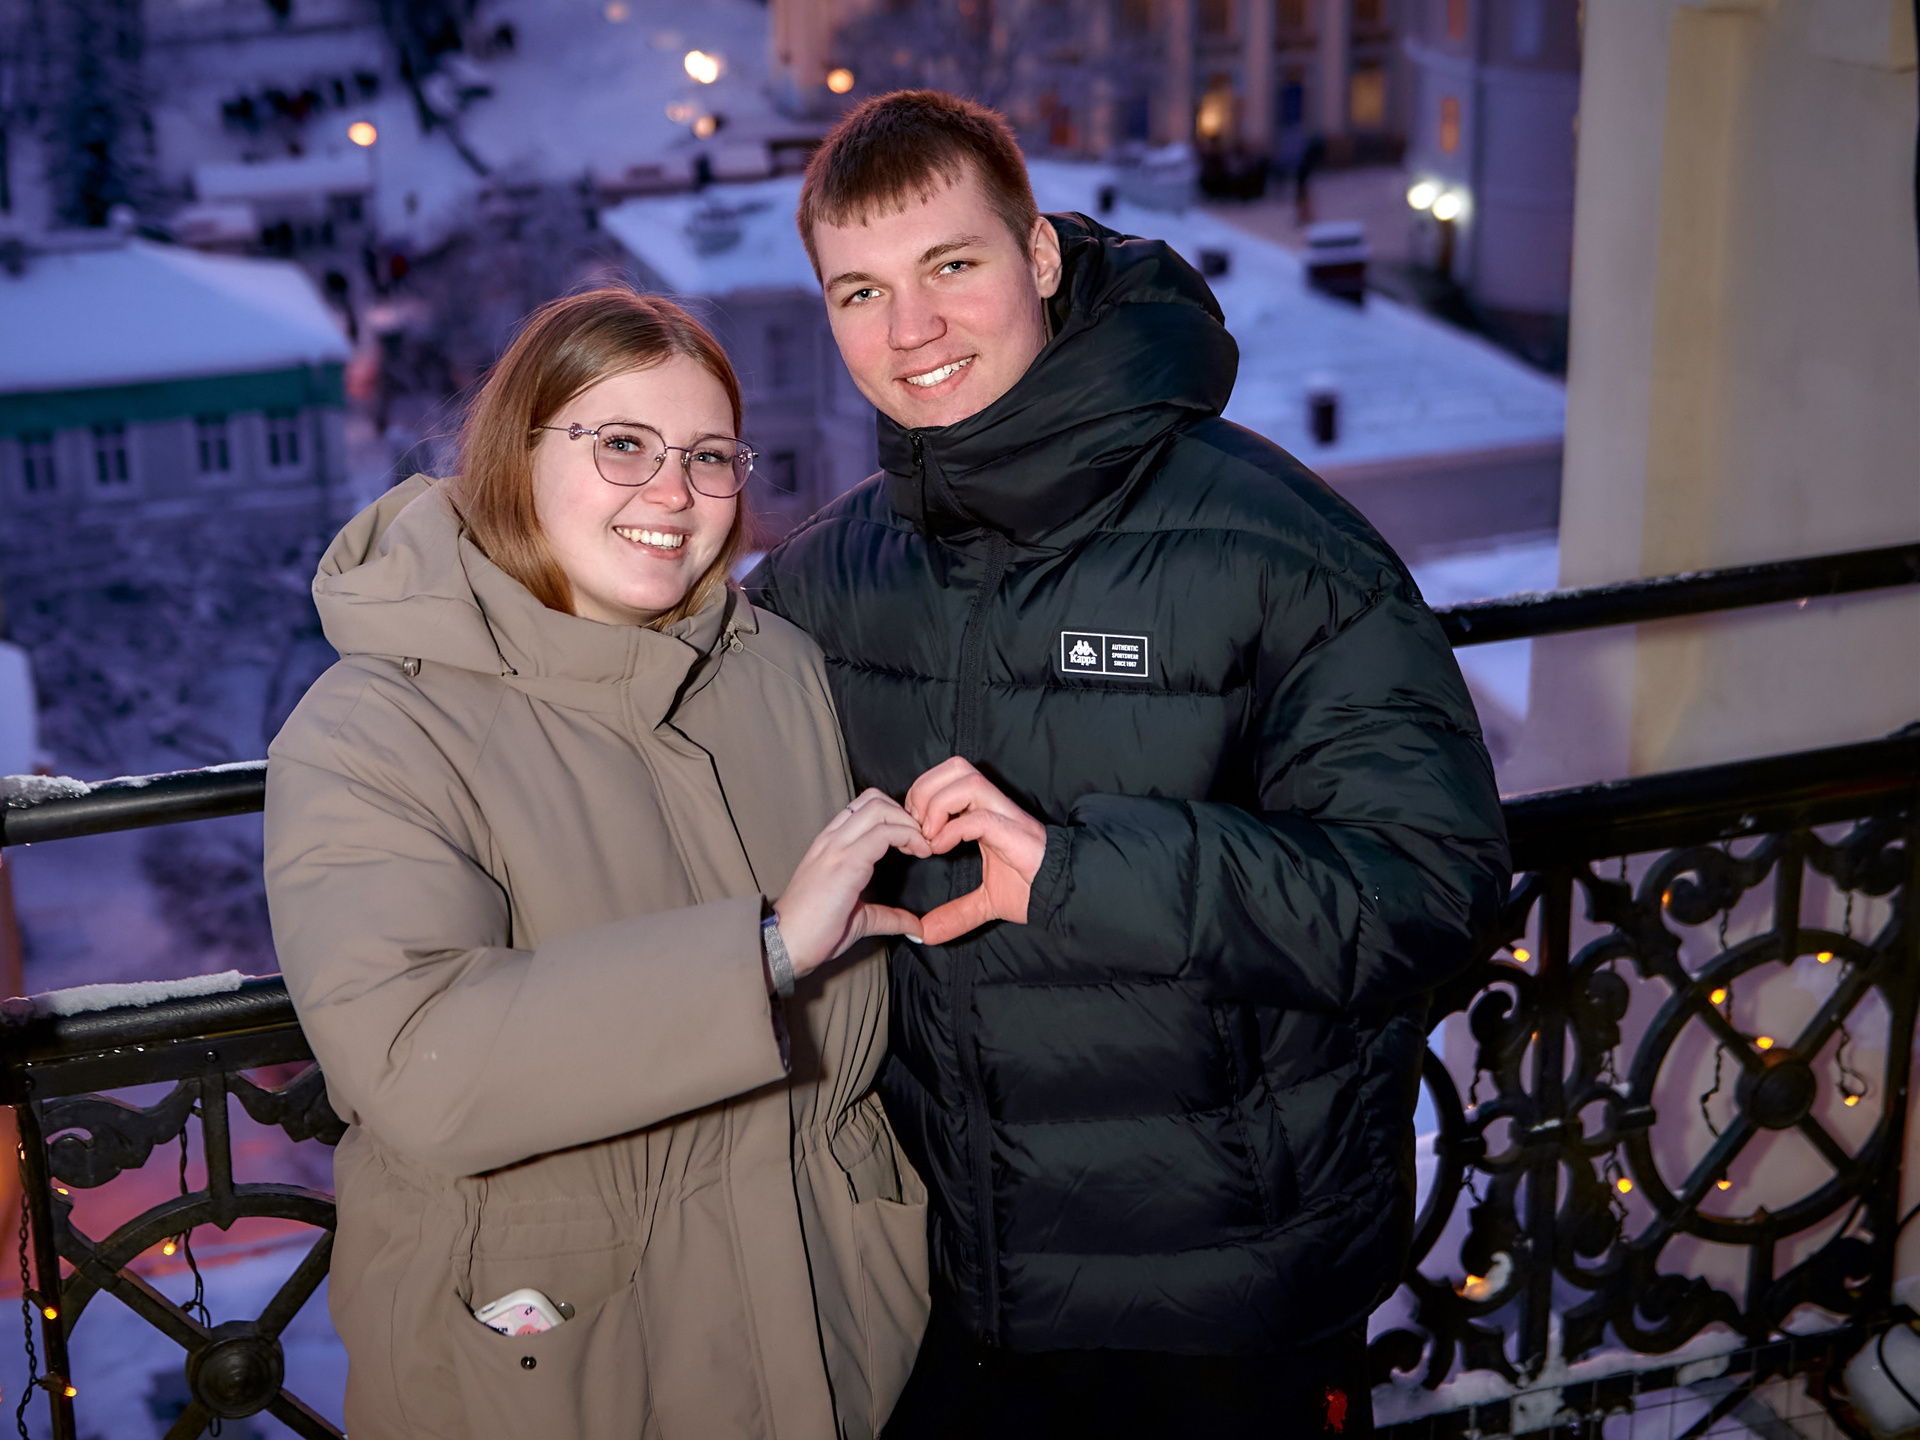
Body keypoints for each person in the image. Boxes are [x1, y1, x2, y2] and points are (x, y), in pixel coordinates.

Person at [745, 91, 1511, 1438]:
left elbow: (1433, 890)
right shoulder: (823, 578)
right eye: (860, 291)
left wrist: (1086, 876)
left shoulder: (1272, 542)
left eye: (952, 265)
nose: (910, 330)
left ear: (1040, 256)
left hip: (1222, 1314)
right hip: (933, 1305)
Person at [264, 288, 931, 1439]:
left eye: (709, 455)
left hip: (834, 1332)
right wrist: (765, 953)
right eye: (622, 444)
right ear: (517, 453)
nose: (673, 493)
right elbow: (417, 1064)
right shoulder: (374, 726)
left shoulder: (774, 670)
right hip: (564, 1368)